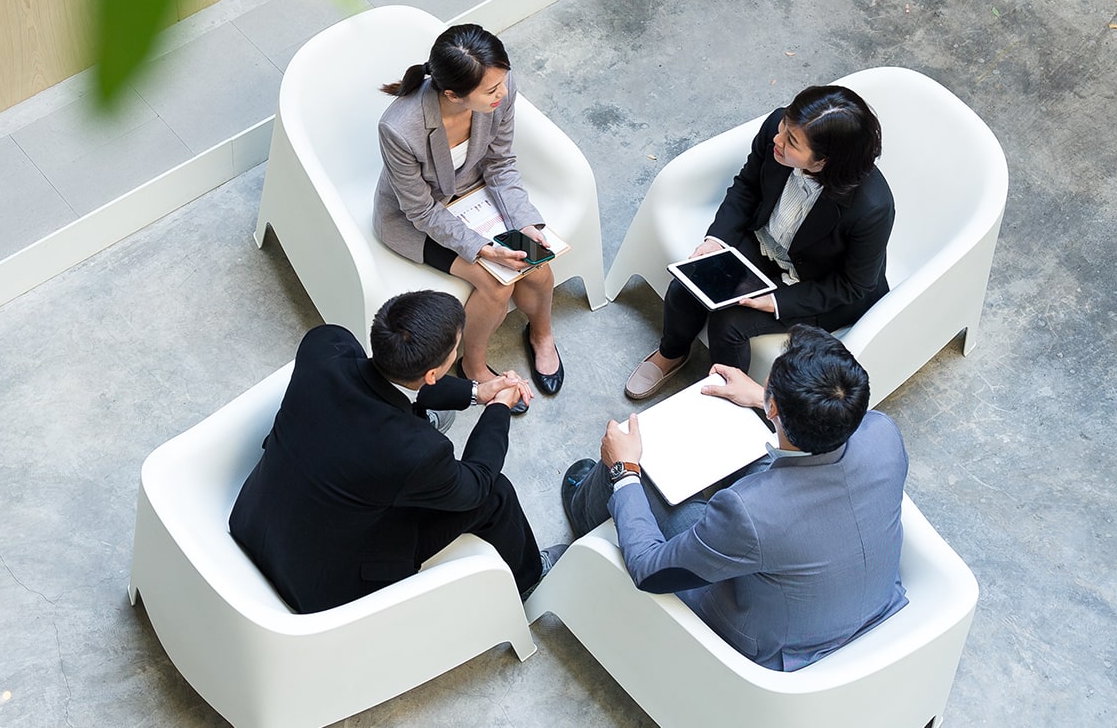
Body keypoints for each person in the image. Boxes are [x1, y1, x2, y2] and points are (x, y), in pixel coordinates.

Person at [562, 326, 907, 671]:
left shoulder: (747, 514)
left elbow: (649, 571)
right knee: (749, 453)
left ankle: (585, 509)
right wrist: (763, 397)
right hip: (867, 600)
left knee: (647, 480)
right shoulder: (883, 433)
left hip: (778, 643)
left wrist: (624, 470)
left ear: (775, 409)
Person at [229, 291, 558, 614]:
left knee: (427, 420)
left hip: (252, 519)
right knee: (496, 495)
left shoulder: (324, 345)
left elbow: (374, 372)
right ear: (432, 374)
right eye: (455, 350)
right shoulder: (419, 452)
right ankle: (531, 575)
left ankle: (420, 415)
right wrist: (498, 408)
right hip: (319, 584)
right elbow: (478, 484)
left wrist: (477, 391)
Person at [625, 85, 894, 400]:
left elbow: (852, 286)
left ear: (824, 162)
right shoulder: (777, 129)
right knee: (689, 284)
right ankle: (672, 353)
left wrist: (777, 302)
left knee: (730, 323)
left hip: (820, 284)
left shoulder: (872, 207)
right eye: (784, 127)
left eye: (791, 141)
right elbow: (747, 186)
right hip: (768, 244)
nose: (778, 138)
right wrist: (717, 240)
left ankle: (728, 401)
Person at [374, 24, 563, 408]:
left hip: (474, 194)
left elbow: (500, 163)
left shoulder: (499, 89)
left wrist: (525, 222)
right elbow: (420, 209)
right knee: (496, 283)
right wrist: (481, 248)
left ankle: (541, 333)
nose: (504, 93)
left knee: (539, 265)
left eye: (503, 83)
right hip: (416, 219)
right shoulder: (399, 128)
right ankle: (474, 366)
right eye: (492, 91)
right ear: (452, 95)